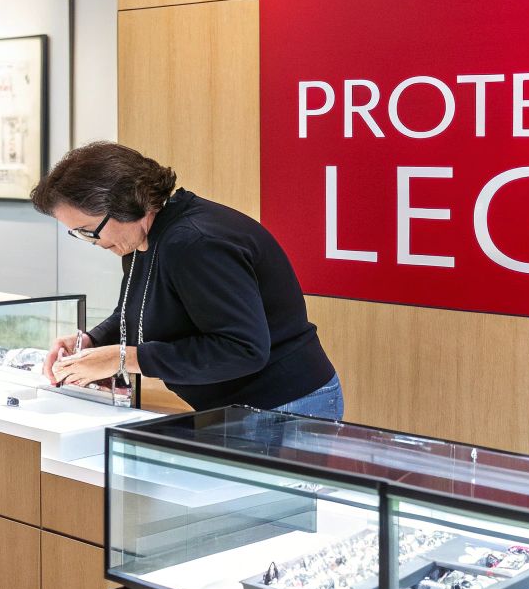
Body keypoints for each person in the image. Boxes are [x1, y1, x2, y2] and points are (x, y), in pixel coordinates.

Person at [33, 142, 343, 419]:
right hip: (242, 405)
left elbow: (242, 348)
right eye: (78, 235)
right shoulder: (143, 238)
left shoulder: (193, 244)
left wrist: (124, 358)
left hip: (285, 404)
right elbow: (136, 313)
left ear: (128, 204)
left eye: (90, 230)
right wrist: (92, 342)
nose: (92, 242)